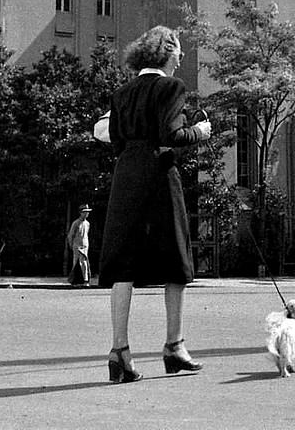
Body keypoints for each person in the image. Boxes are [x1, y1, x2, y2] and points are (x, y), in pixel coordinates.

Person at [98, 26, 212, 384]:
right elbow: (172, 136)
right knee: (176, 259)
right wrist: (200, 132)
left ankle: (119, 352)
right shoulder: (171, 88)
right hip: (160, 173)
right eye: (178, 51)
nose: (180, 58)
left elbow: (114, 138)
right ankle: (174, 346)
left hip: (126, 173)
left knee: (123, 263)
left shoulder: (122, 92)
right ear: (166, 51)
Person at [67, 204, 92, 286]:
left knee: (85, 263)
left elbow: (86, 235)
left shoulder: (87, 223)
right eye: (85, 212)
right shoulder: (76, 223)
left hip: (85, 246)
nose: (86, 214)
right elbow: (71, 235)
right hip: (77, 246)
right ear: (81, 213)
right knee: (78, 263)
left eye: (87, 212)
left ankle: (85, 280)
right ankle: (76, 281)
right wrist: (71, 245)